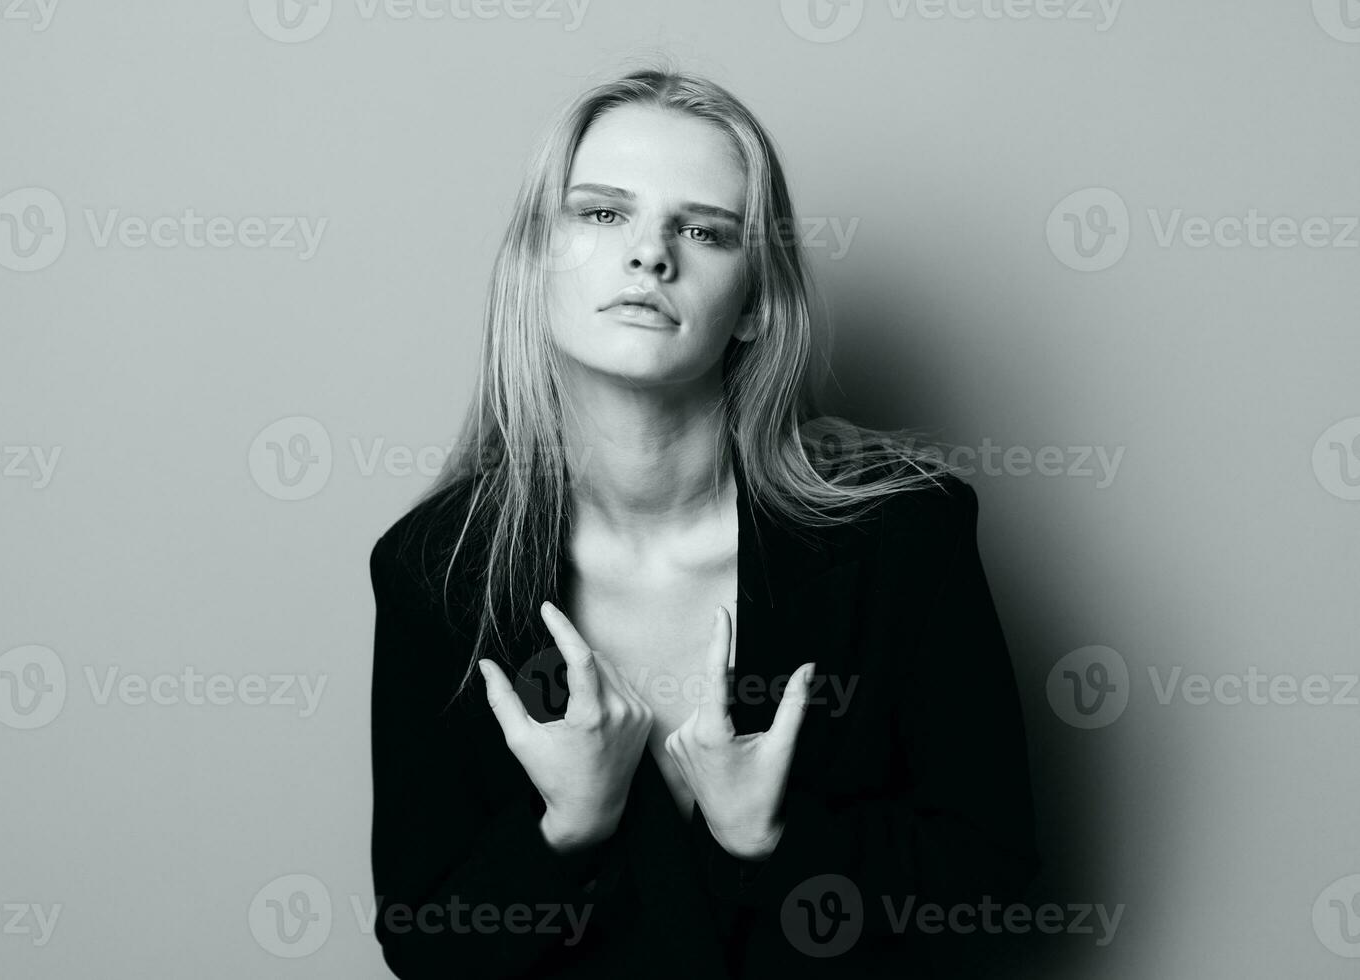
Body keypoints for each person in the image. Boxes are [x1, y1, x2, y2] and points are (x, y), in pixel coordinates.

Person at [368, 62, 1039, 978]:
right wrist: (565, 829)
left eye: (703, 230)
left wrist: (775, 835)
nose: (650, 253)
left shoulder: (903, 539)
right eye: (601, 214)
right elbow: (422, 942)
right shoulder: (435, 573)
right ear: (534, 263)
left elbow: (1000, 897)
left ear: (759, 301)